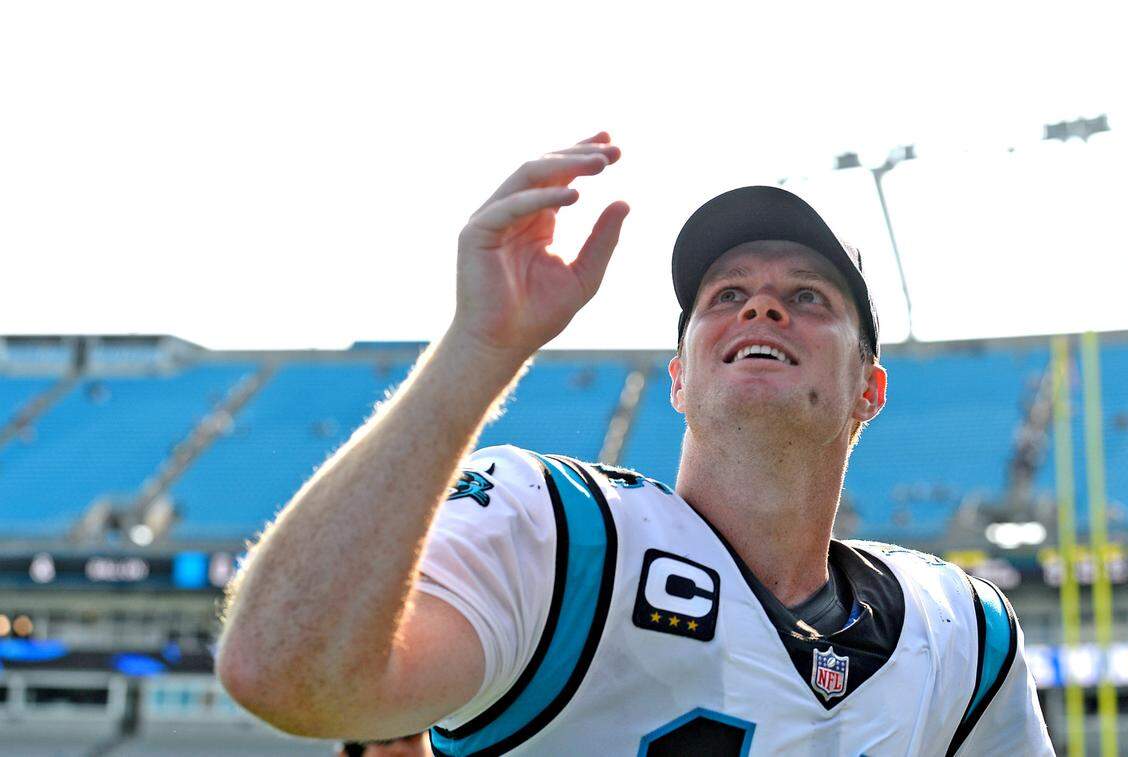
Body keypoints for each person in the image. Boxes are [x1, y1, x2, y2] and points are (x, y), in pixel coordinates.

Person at [216, 132, 1053, 755]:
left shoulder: (961, 632)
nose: (762, 309)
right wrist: (477, 353)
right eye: (726, 295)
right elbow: (287, 674)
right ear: (680, 378)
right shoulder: (561, 539)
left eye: (807, 296)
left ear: (868, 388)